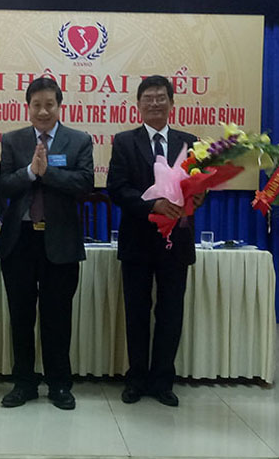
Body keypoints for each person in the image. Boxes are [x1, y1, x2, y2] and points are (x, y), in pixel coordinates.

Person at [0, 77, 94, 410]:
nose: (42, 111)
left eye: (49, 104)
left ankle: (59, 385)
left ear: (59, 106)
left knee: (57, 318)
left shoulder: (79, 140)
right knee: (20, 317)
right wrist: (28, 171)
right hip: (20, 241)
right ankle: (23, 383)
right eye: (36, 105)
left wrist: (46, 172)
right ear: (28, 107)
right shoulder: (13, 140)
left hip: (60, 242)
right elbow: (3, 186)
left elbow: (84, 183)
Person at [107, 75, 203, 407]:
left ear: (172, 103)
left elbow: (197, 186)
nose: (155, 103)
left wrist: (198, 196)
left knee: (171, 313)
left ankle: (163, 381)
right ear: (138, 105)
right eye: (148, 98)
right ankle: (136, 379)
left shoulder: (189, 142)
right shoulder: (124, 142)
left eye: (161, 97)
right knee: (136, 313)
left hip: (177, 242)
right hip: (137, 240)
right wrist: (153, 206)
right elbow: (117, 188)